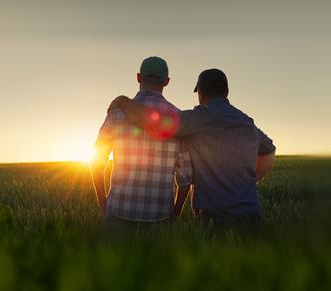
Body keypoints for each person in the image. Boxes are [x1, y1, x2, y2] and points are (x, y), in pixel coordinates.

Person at [109, 68, 276, 236]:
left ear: (201, 93)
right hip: (252, 216)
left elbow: (154, 123)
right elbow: (269, 153)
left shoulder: (198, 119)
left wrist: (123, 101)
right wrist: (250, 180)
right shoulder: (247, 122)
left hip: (215, 220)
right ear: (226, 92)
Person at [90, 56, 193, 238]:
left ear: (138, 78)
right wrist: (175, 213)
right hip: (160, 216)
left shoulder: (117, 113)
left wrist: (102, 199)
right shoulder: (178, 119)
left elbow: (97, 160)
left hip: (119, 209)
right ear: (167, 82)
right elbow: (185, 176)